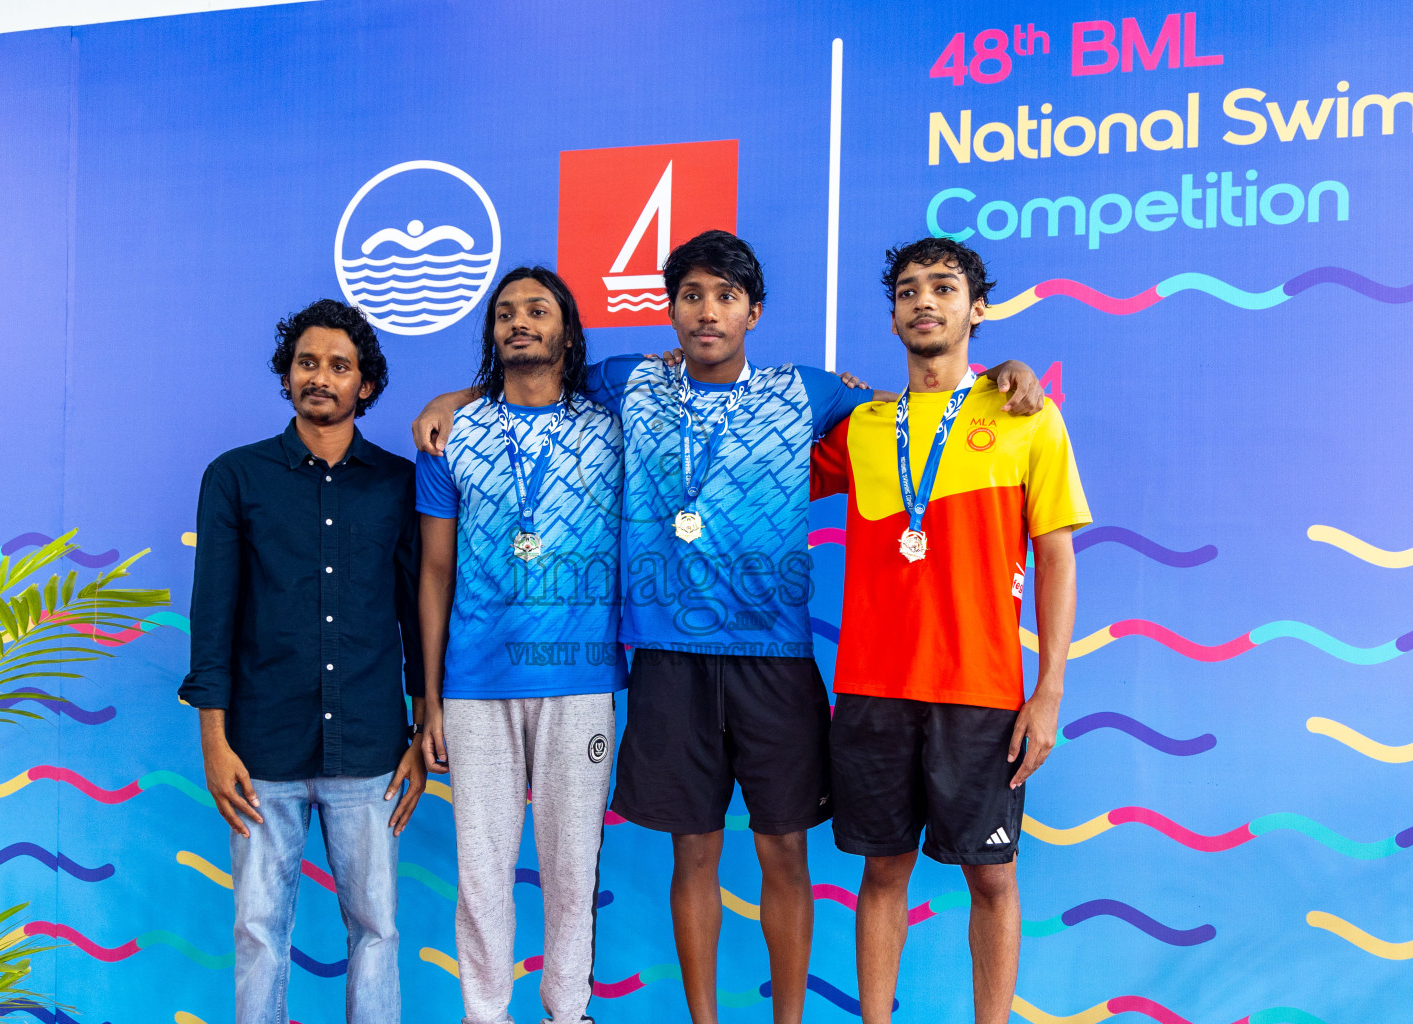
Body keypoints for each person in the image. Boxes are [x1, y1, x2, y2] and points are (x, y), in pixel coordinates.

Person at [413, 231, 1044, 1024]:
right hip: (670, 663)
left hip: (774, 661)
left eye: (724, 297)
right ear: (671, 310)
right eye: (690, 296)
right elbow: (536, 381)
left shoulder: (808, 393)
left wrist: (1005, 376)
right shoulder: (631, 384)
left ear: (754, 311)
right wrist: (455, 401)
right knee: (695, 853)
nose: (706, 312)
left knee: (784, 851)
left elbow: (916, 410)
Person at [809, 237, 1090, 1024]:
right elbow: (766, 460)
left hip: (982, 691)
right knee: (881, 874)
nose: (923, 301)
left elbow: (1057, 559)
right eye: (906, 290)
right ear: (894, 315)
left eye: (943, 287)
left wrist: (1050, 691)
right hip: (871, 688)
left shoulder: (1025, 414)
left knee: (993, 880)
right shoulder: (863, 424)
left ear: (978, 308)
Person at [179, 298, 428, 1024]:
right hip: (261, 755)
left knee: (377, 931)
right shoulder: (235, 479)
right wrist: (215, 742)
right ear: (287, 377)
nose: (321, 377)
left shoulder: (398, 484)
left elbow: (418, 617)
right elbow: (212, 619)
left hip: (373, 752)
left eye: (339, 366)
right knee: (259, 933)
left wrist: (421, 730)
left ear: (366, 386)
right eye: (307, 363)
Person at [414, 267, 626, 1024]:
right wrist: (430, 700)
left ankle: (568, 1013)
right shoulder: (450, 435)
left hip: (579, 680)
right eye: (504, 313)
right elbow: (434, 573)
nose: (519, 322)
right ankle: (485, 1014)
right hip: (475, 686)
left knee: (573, 873)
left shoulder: (612, 427)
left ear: (567, 330)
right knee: (481, 874)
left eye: (537, 310)